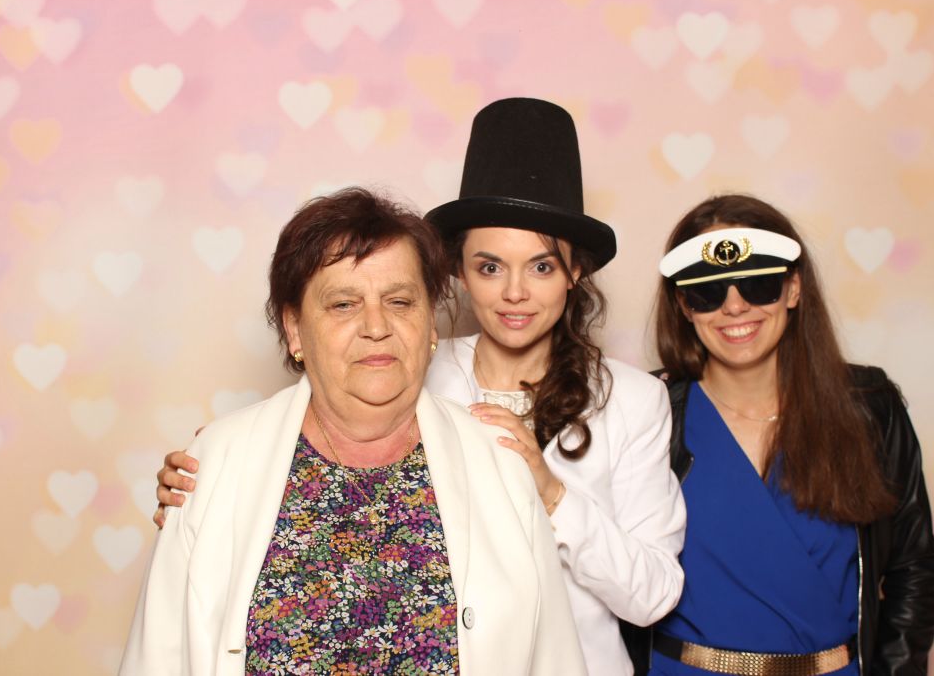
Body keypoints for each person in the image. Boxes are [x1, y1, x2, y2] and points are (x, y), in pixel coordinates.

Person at [155, 98, 686, 675]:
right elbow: (320, 407)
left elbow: (654, 595)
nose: (514, 292)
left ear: (575, 271)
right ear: (457, 272)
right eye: (489, 266)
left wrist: (552, 494)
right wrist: (222, 474)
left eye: (541, 266)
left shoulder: (633, 400)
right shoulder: (406, 366)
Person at [121, 187, 586, 675]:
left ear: (430, 323)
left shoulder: (500, 461)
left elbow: (554, 662)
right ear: (295, 329)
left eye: (400, 301)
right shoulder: (215, 462)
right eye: (343, 304)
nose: (376, 326)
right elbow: (157, 659)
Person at [624, 194, 934, 675]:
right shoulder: (645, 412)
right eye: (708, 291)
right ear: (685, 306)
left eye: (758, 283)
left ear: (793, 289)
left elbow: (911, 569)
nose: (734, 306)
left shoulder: (869, 407)